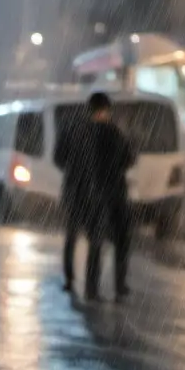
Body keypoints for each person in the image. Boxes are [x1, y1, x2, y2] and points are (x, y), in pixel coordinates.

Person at [54, 91, 135, 301]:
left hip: (77, 191)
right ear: (106, 110)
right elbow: (128, 159)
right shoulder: (113, 132)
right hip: (107, 193)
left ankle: (72, 280)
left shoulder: (74, 130)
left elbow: (59, 158)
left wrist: (75, 173)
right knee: (105, 239)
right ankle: (109, 287)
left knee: (74, 236)